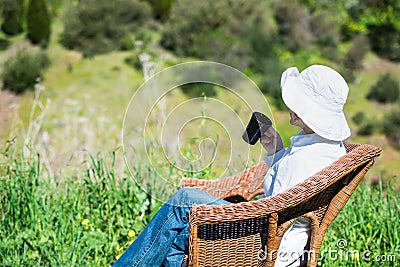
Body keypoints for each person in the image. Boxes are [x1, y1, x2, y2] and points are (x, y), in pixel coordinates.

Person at [112, 65, 351, 267]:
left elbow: (272, 210)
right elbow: (289, 194)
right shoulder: (331, 150)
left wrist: (230, 208)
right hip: (287, 243)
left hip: (263, 245)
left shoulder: (303, 160)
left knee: (182, 201)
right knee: (178, 238)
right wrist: (277, 151)